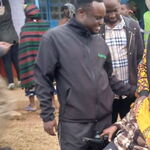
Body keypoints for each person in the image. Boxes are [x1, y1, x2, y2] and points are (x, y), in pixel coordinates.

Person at [35, 0, 132, 149]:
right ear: (81, 13)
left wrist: (135, 91)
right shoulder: (54, 38)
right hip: (74, 126)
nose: (102, 22)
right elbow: (43, 78)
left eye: (102, 17)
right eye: (97, 18)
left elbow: (108, 77)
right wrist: (47, 116)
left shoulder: (100, 42)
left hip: (104, 124)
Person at [100, 0, 144, 123]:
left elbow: (140, 57)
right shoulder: (97, 28)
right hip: (106, 93)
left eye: (115, 10)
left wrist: (138, 86)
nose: (112, 15)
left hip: (130, 91)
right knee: (107, 130)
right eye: (107, 12)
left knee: (131, 130)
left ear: (121, 7)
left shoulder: (132, 26)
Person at [18, 4, 49, 112]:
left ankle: (33, 104)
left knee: (30, 77)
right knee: (47, 80)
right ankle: (53, 104)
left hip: (30, 60)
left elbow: (23, 48)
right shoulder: (46, 26)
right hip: (45, 61)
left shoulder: (25, 28)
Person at [0, 0, 20, 90]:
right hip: (14, 38)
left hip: (4, 40)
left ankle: (11, 82)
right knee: (16, 60)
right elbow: (6, 2)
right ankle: (20, 80)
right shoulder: (8, 13)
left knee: (7, 62)